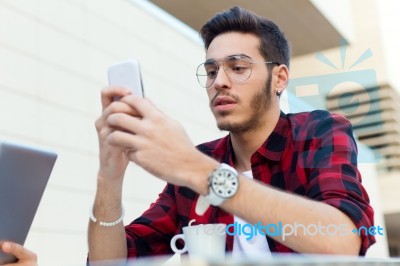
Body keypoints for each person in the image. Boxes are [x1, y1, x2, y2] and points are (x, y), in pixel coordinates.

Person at [88, 6, 375, 263]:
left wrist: (196, 170)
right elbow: (112, 262)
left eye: (238, 68)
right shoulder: (202, 159)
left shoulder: (317, 132)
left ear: (280, 78)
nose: (219, 82)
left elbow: (344, 242)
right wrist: (108, 178)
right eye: (211, 71)